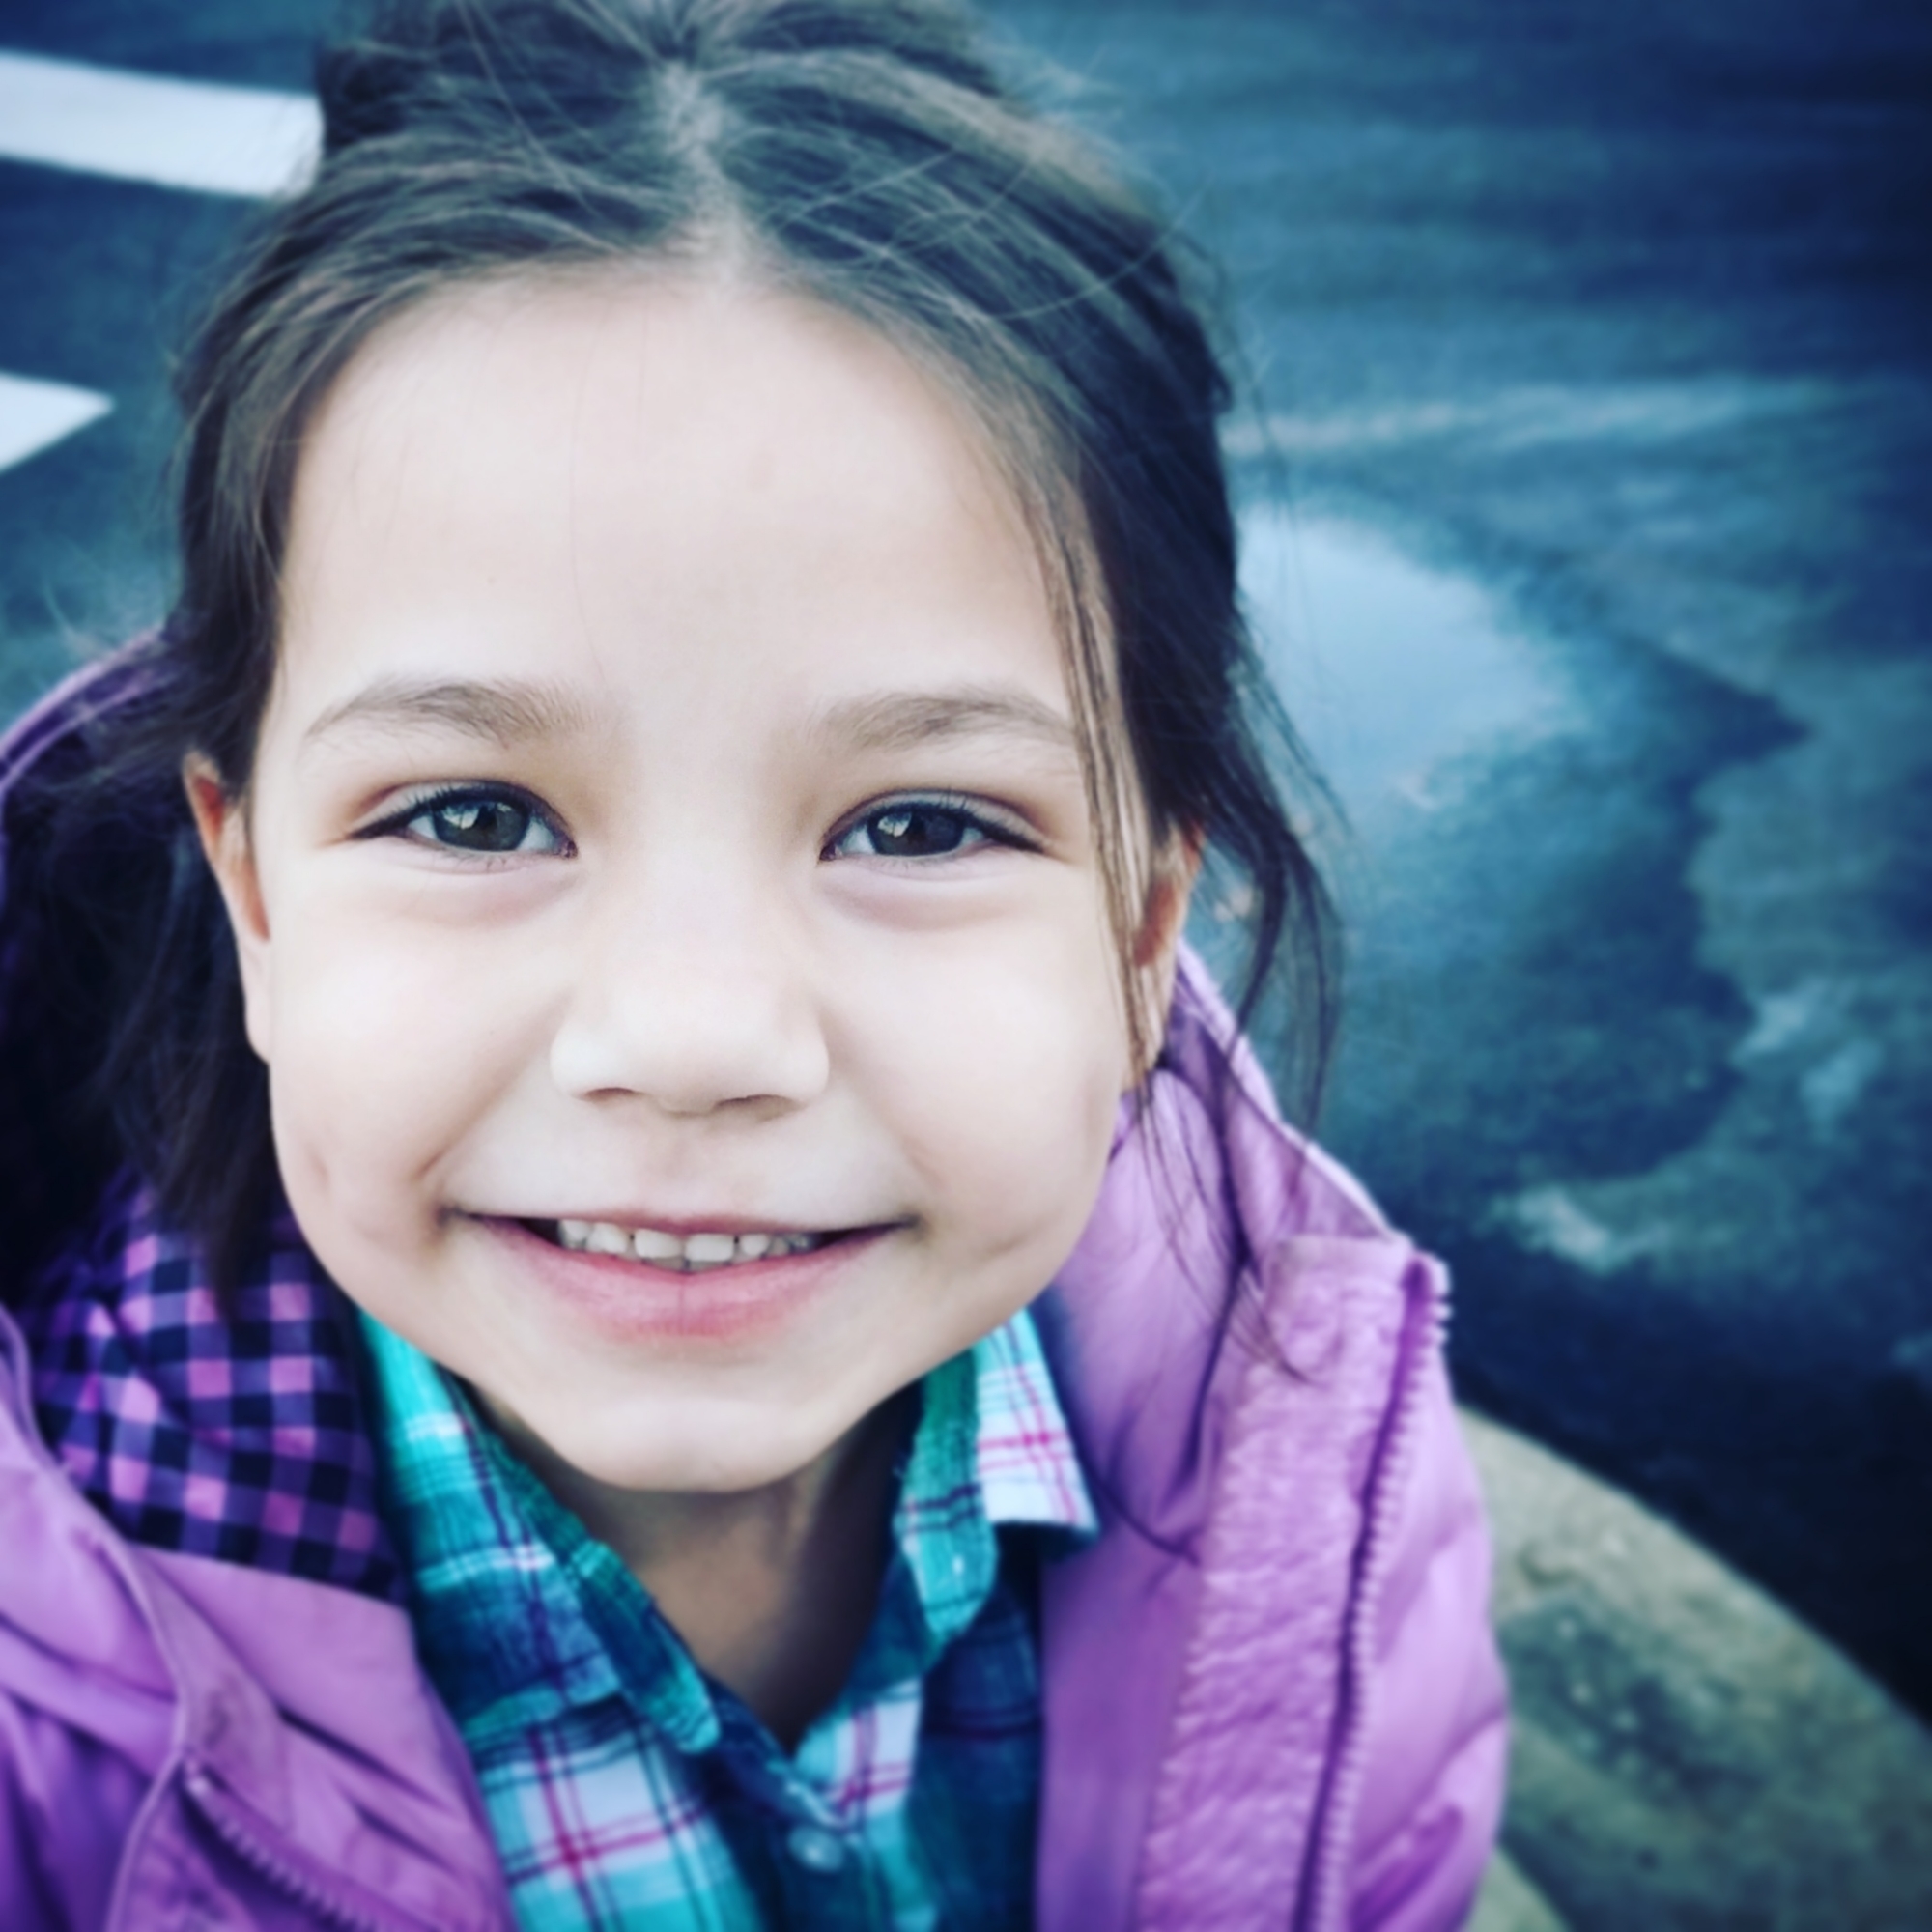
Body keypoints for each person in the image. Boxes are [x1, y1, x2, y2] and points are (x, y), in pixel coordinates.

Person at [0, 1, 1507, 1925]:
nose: (693, 1036)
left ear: (1142, 934)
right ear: (257, 901)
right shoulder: (47, 1748)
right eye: (476, 815)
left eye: (920, 826)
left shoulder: (1312, 1505)